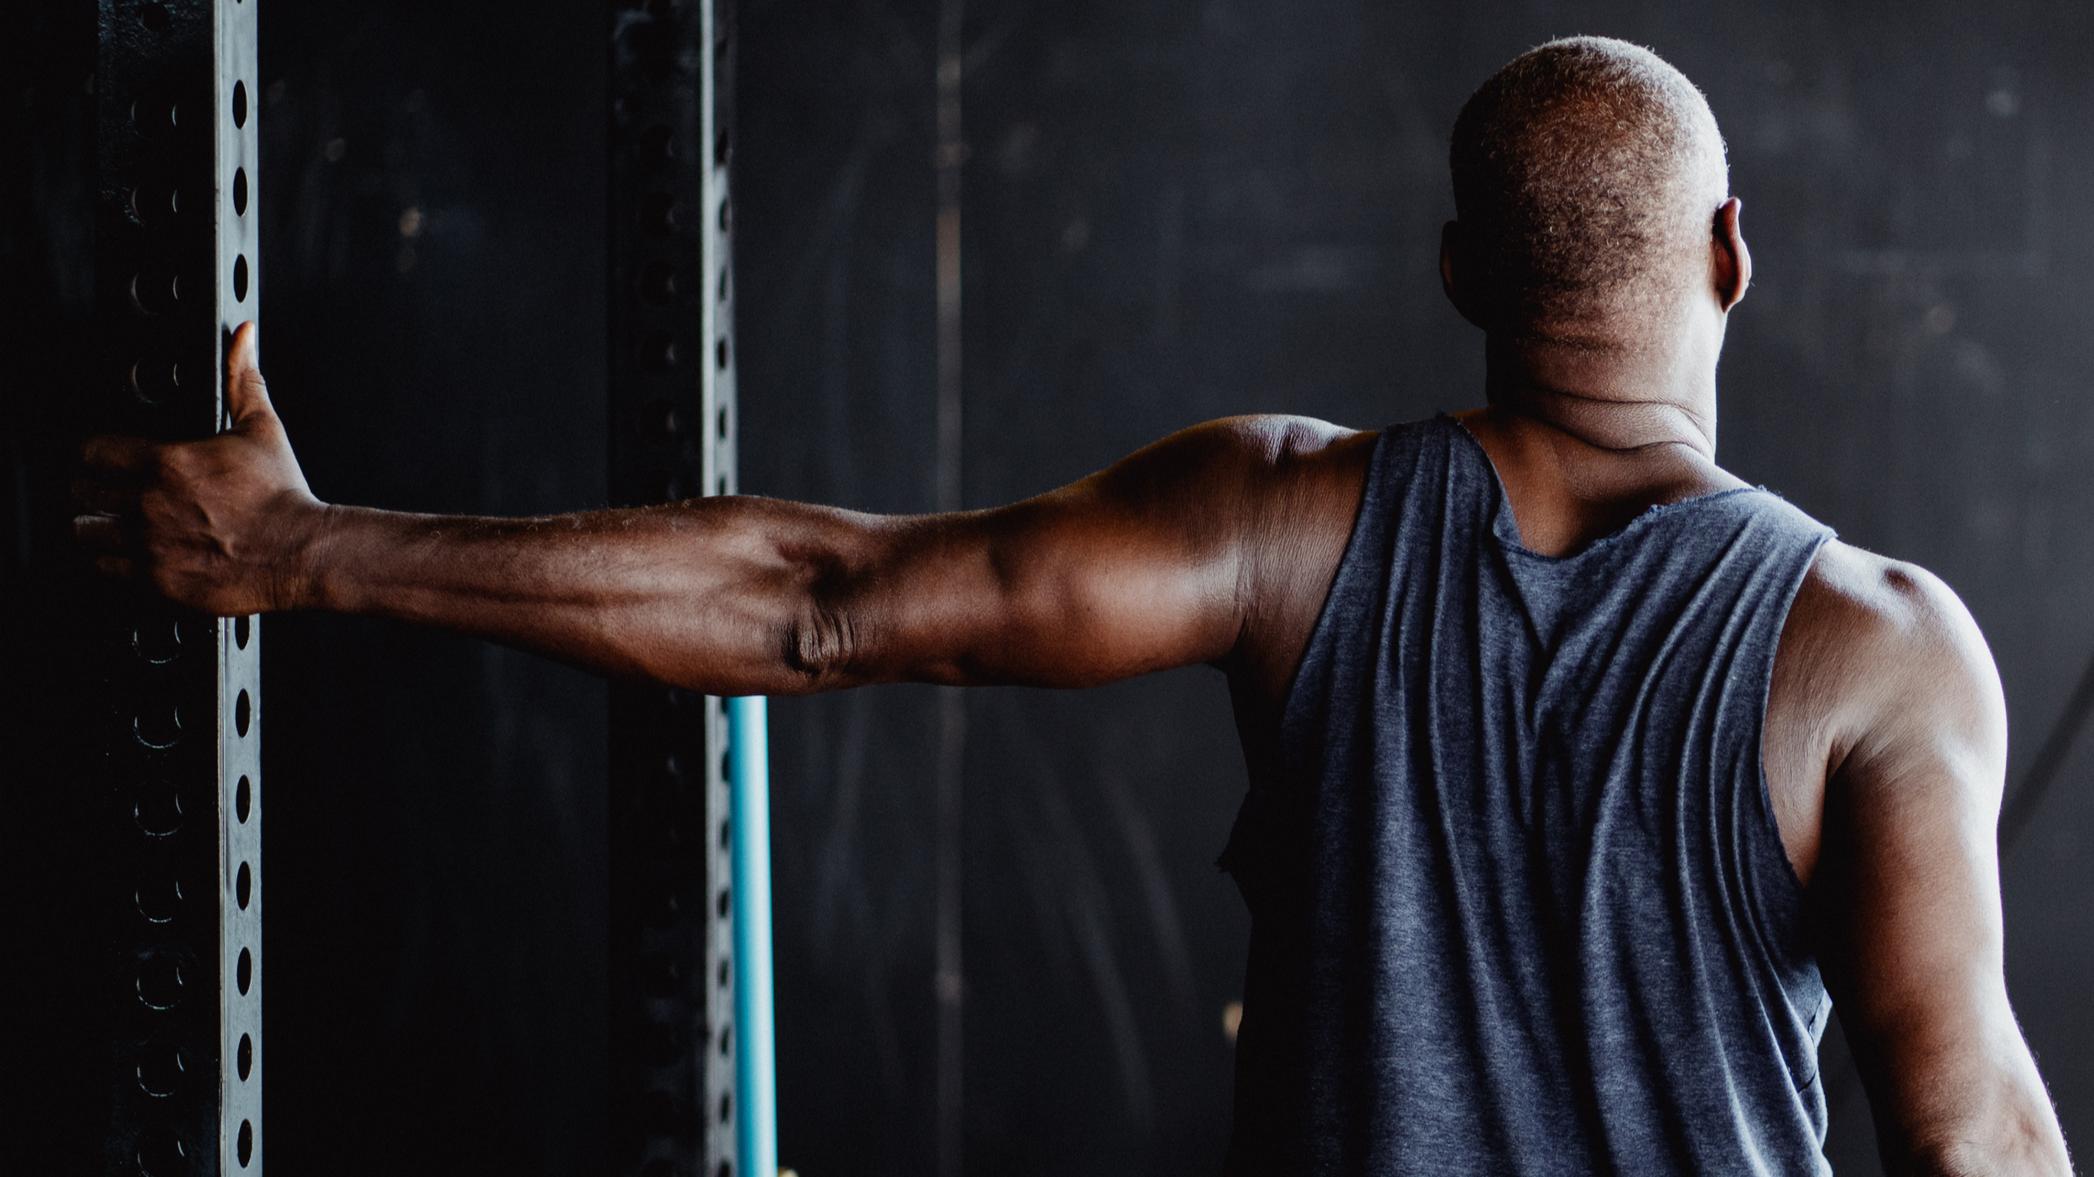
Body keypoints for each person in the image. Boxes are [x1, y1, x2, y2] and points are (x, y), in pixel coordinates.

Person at [73, 35, 2070, 1177]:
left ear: (1459, 269)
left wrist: (303, 549)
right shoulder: (1877, 651)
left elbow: (815, 602)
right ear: (1735, 255)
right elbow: (1968, 1130)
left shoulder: (1285, 528)